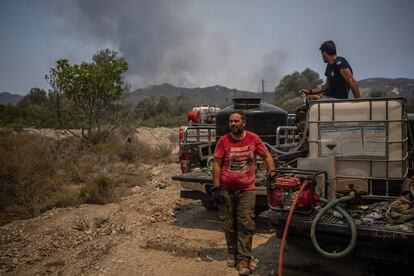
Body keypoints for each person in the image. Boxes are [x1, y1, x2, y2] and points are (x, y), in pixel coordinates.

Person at [212, 111, 276, 275]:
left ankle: (244, 260)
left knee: (246, 224)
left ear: (244, 123)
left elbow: (267, 155)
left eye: (236, 121)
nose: (233, 124)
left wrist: (272, 172)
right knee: (228, 223)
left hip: (246, 190)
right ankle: (232, 252)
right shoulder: (223, 140)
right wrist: (217, 187)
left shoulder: (253, 138)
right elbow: (217, 164)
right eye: (231, 121)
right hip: (226, 189)